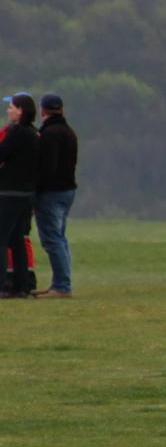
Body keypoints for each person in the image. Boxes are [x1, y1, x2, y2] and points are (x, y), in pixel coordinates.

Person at [34, 92, 78, 298]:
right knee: (60, 238)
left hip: (51, 192)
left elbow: (47, 169)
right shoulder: (69, 132)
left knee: (52, 239)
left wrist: (36, 191)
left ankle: (61, 286)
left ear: (43, 111)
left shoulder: (49, 134)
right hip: (68, 190)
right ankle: (62, 282)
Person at [0, 93, 41, 299]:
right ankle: (22, 286)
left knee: (2, 238)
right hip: (27, 193)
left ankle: (2, 286)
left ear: (21, 111)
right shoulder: (34, 134)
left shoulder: (15, 133)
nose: (8, 110)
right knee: (17, 240)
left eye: (12, 107)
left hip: (9, 192)